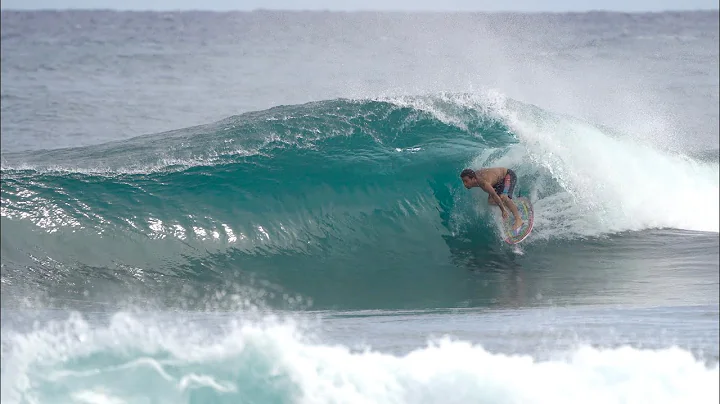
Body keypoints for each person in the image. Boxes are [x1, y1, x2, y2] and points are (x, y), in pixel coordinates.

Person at [460, 167, 523, 231]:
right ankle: (511, 205)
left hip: (507, 176)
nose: (464, 184)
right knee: (490, 201)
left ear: (473, 178)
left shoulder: (483, 183)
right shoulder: (473, 175)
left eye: (466, 181)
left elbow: (494, 195)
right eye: (463, 181)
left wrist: (503, 210)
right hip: (497, 182)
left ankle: (518, 219)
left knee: (503, 197)